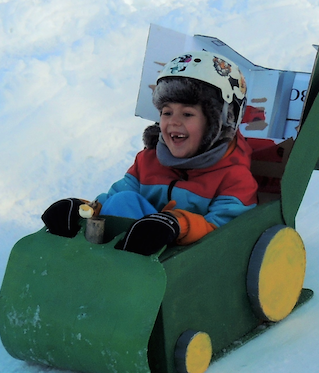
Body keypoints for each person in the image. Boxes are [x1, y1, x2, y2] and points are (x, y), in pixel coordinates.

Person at [41, 50, 258, 255]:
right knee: (122, 201)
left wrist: (177, 224)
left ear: (219, 122)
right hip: (137, 262)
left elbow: (224, 232)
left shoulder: (234, 177)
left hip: (189, 268)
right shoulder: (148, 162)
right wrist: (81, 210)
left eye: (187, 114)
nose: (173, 121)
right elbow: (112, 202)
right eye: (167, 112)